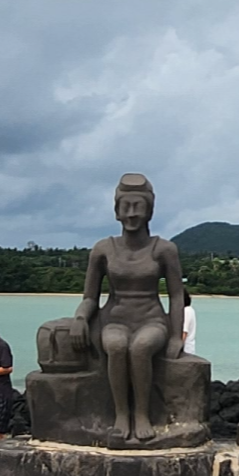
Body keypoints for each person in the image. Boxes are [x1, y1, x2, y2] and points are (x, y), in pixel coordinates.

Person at [72, 173, 189, 442]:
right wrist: (80, 317)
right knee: (115, 346)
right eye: (126, 207)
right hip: (114, 318)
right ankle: (121, 413)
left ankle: (142, 413)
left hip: (151, 319)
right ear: (116, 211)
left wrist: (175, 335)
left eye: (138, 206)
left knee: (141, 347)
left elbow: (176, 295)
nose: (132, 214)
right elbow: (90, 297)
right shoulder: (103, 249)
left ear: (150, 211)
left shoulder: (164, 249)